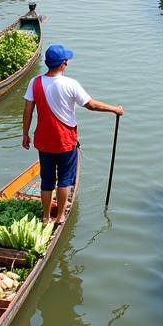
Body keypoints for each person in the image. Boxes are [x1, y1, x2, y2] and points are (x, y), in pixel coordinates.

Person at [22, 45, 123, 225]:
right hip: (64, 140)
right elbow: (91, 105)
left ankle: (45, 217)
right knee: (65, 178)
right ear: (63, 64)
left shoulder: (34, 82)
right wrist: (114, 109)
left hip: (43, 140)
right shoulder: (70, 84)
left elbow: (28, 111)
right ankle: (60, 216)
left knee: (47, 179)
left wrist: (25, 135)